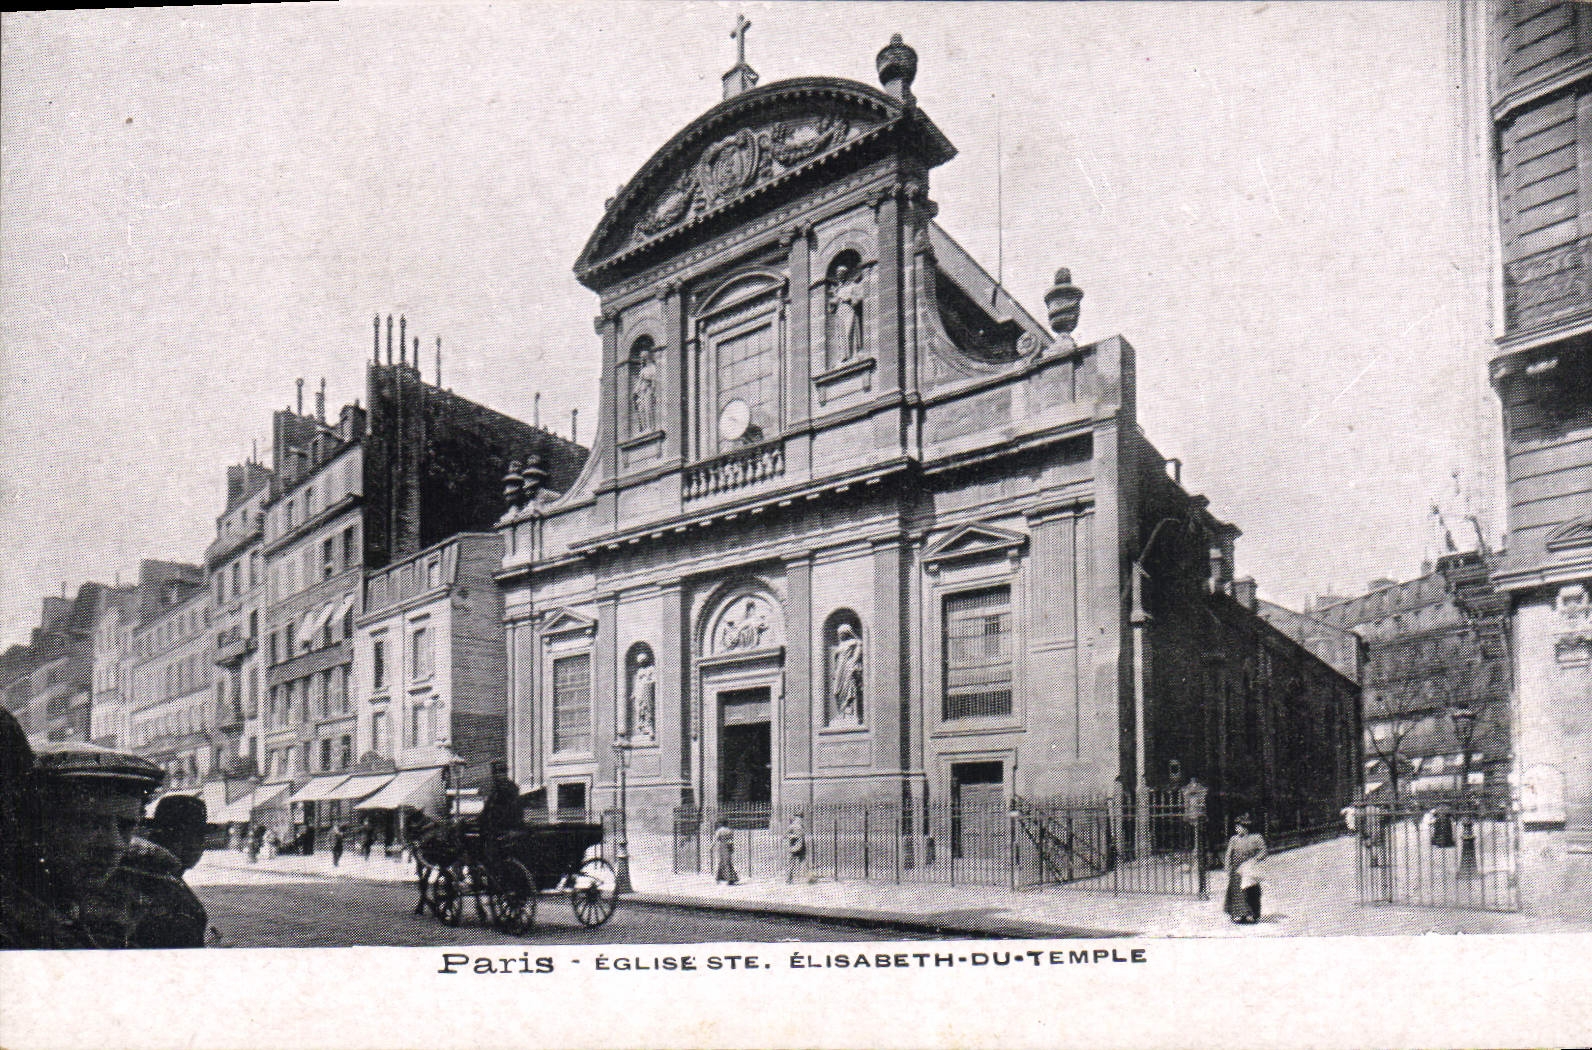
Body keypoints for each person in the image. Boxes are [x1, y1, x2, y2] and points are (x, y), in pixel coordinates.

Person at [1223, 814, 1268, 924]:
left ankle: (1253, 914)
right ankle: (1239, 914)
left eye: (1239, 827)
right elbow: (1229, 854)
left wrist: (1255, 859)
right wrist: (1227, 866)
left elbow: (1264, 851)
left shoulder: (1256, 838)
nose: (1236, 830)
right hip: (1236, 869)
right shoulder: (1234, 839)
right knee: (1237, 892)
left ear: (1245, 827)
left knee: (1251, 890)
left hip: (1249, 868)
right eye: (1236, 827)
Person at [713, 820, 738, 886]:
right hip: (728, 846)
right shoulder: (729, 830)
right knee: (727, 862)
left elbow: (715, 839)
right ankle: (729, 878)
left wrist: (711, 846)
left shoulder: (719, 830)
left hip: (722, 846)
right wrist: (732, 847)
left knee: (722, 862)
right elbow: (731, 840)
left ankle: (720, 878)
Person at [786, 812, 808, 884]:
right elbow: (786, 835)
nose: (800, 819)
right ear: (796, 818)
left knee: (803, 862)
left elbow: (803, 834)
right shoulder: (792, 826)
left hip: (801, 846)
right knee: (792, 862)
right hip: (794, 846)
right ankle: (789, 879)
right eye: (798, 817)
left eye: (801, 818)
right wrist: (794, 836)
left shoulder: (801, 826)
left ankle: (808, 878)